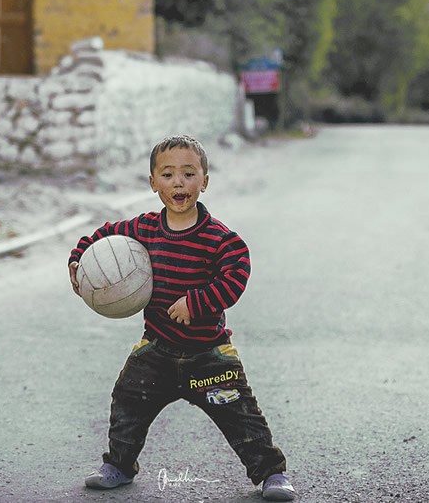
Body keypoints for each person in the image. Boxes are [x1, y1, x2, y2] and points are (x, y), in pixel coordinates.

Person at [68, 134, 296, 501]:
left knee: (241, 414)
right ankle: (119, 466)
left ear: (204, 181)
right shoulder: (142, 228)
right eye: (168, 174)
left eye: (189, 174)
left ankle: (271, 473)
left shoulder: (219, 239)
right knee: (127, 400)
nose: (179, 182)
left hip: (208, 354)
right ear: (153, 183)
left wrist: (199, 302)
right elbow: (98, 237)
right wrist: (78, 262)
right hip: (157, 350)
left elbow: (236, 273)